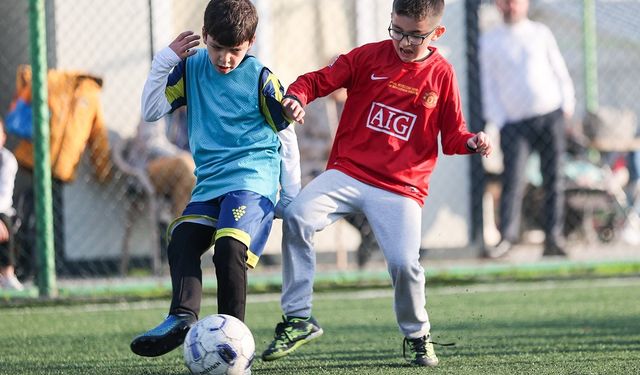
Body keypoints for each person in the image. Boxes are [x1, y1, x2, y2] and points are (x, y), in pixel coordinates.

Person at [261, 0, 492, 367]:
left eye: (415, 36)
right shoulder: (367, 57)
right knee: (297, 217)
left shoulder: (442, 75)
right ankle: (298, 318)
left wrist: (470, 141)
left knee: (403, 264)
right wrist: (295, 97)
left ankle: (417, 334)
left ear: (437, 33)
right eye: (397, 30)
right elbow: (316, 81)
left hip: (401, 188)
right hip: (348, 172)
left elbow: (451, 136)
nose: (404, 42)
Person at [130, 0, 300, 358]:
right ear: (204, 36)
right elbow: (150, 110)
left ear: (250, 42)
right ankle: (181, 316)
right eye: (217, 48)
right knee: (182, 237)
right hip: (211, 182)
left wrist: (290, 194)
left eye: (234, 51)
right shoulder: (190, 69)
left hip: (253, 179)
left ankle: (233, 341)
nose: (225, 59)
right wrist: (164, 61)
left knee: (229, 247)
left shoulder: (260, 77)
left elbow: (285, 133)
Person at [479, 0, 575, 258]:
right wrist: (497, 120)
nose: (511, 7)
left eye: (515, 2)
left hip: (549, 115)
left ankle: (553, 239)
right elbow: (488, 85)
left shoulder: (540, 33)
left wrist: (567, 103)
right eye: (506, 2)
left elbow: (559, 70)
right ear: (499, 6)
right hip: (514, 124)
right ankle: (507, 239)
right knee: (513, 180)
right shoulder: (489, 41)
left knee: (553, 178)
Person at [127, 113, 195, 219]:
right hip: (146, 170)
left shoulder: (193, 117)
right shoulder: (157, 105)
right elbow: (152, 143)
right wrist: (184, 157)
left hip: (180, 176)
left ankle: (183, 231)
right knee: (184, 165)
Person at [0, 118, 22, 291]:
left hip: (1, 212)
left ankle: (7, 275)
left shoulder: (7, 160)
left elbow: (4, 198)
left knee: (4, 220)